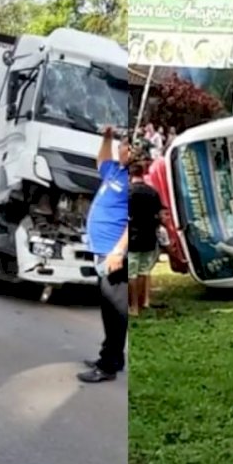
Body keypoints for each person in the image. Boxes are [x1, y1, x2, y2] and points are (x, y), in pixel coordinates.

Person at [77, 126, 130, 383]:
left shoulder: (132, 179)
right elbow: (101, 161)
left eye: (126, 146)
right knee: (109, 310)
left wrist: (118, 251)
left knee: (115, 313)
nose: (121, 149)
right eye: (121, 145)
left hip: (113, 255)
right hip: (103, 252)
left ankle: (107, 366)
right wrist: (107, 138)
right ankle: (113, 357)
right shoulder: (115, 170)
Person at [127, 161, 163, 317]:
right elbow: (160, 215)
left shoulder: (127, 193)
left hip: (132, 237)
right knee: (143, 271)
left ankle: (133, 306)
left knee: (131, 274)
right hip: (149, 237)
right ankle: (142, 303)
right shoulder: (153, 192)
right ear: (143, 174)